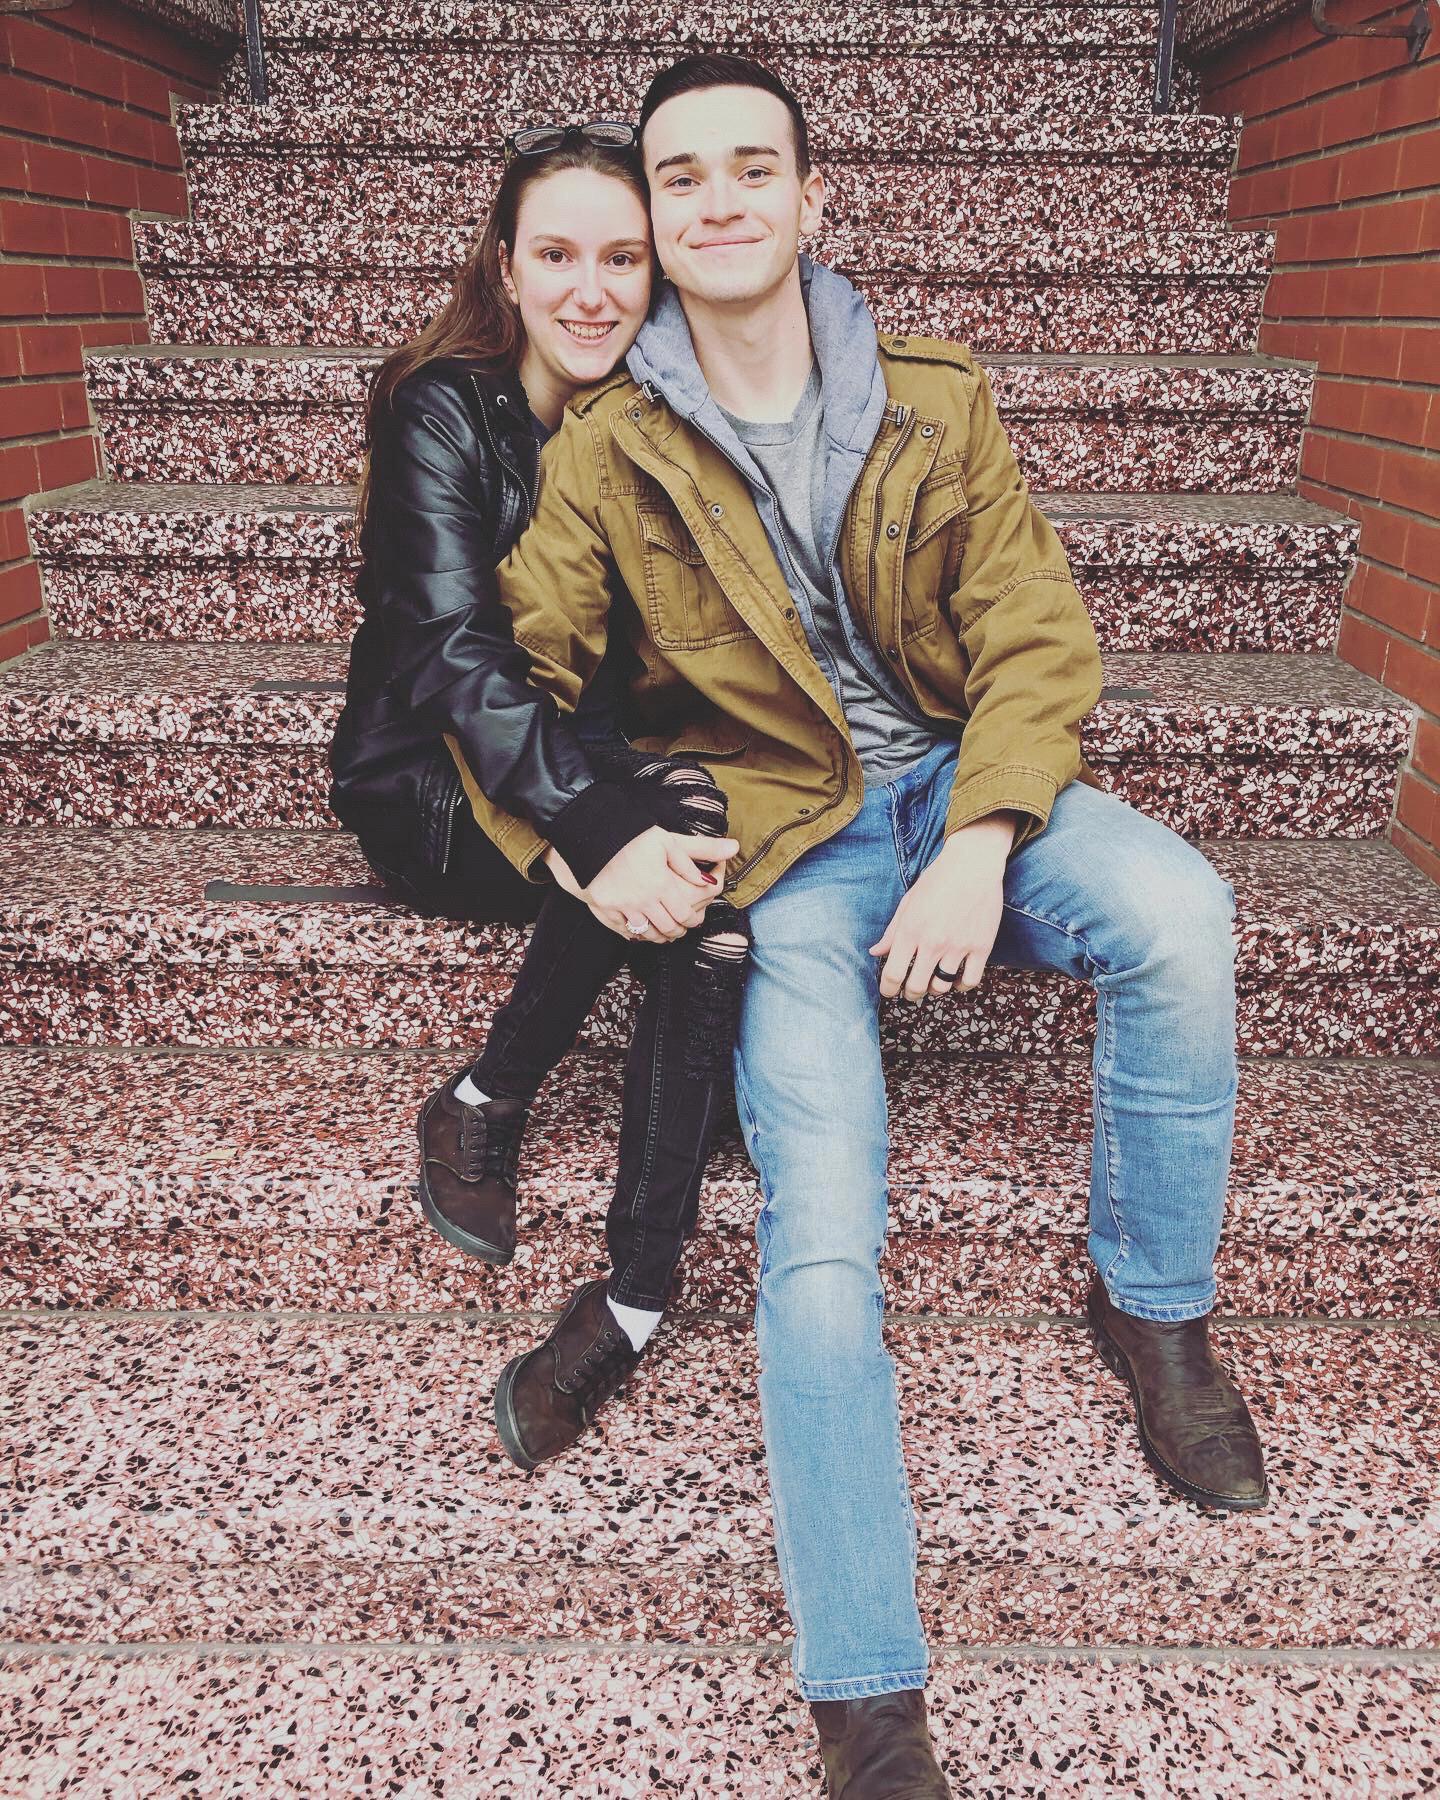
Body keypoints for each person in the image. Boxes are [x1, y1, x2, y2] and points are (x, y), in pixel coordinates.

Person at [455, 54, 1271, 1796]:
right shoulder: (608, 453)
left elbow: (1035, 631)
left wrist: (980, 839)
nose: (720, 199)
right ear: (659, 221)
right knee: (822, 1220)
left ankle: (1154, 1306)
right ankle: (868, 1698)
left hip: (962, 790)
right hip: (798, 845)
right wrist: (584, 841)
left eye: (754, 166)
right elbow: (505, 675)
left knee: (1183, 913)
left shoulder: (932, 396)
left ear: (813, 200)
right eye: (683, 177)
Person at [327, 121, 748, 1473]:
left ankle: (620, 1273)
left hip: (587, 754)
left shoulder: (666, 413)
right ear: (505, 267)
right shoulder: (440, 409)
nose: (591, 291)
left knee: (698, 866)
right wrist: (593, 820)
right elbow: (456, 655)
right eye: (557, 254)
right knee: (672, 859)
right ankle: (501, 1109)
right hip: (436, 782)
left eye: (622, 258)